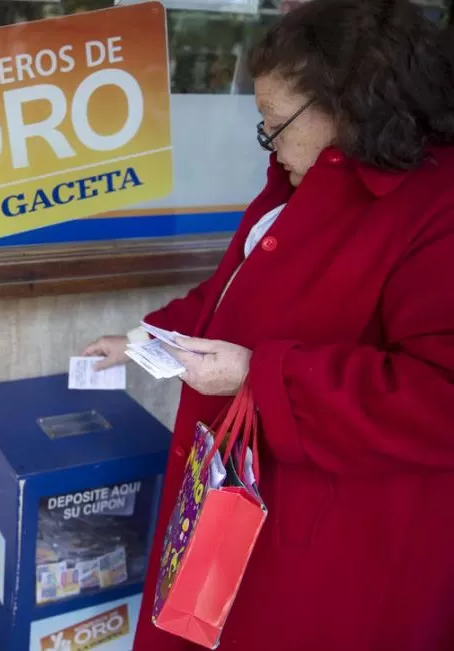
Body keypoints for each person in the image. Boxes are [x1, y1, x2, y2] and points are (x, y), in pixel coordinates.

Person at [83, 1, 454, 649]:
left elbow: (438, 392)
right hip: (240, 501)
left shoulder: (435, 209)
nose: (270, 143)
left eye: (277, 124)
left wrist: (261, 374)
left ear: (353, 106)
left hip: (335, 543)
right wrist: (145, 341)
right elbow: (231, 293)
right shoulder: (300, 177)